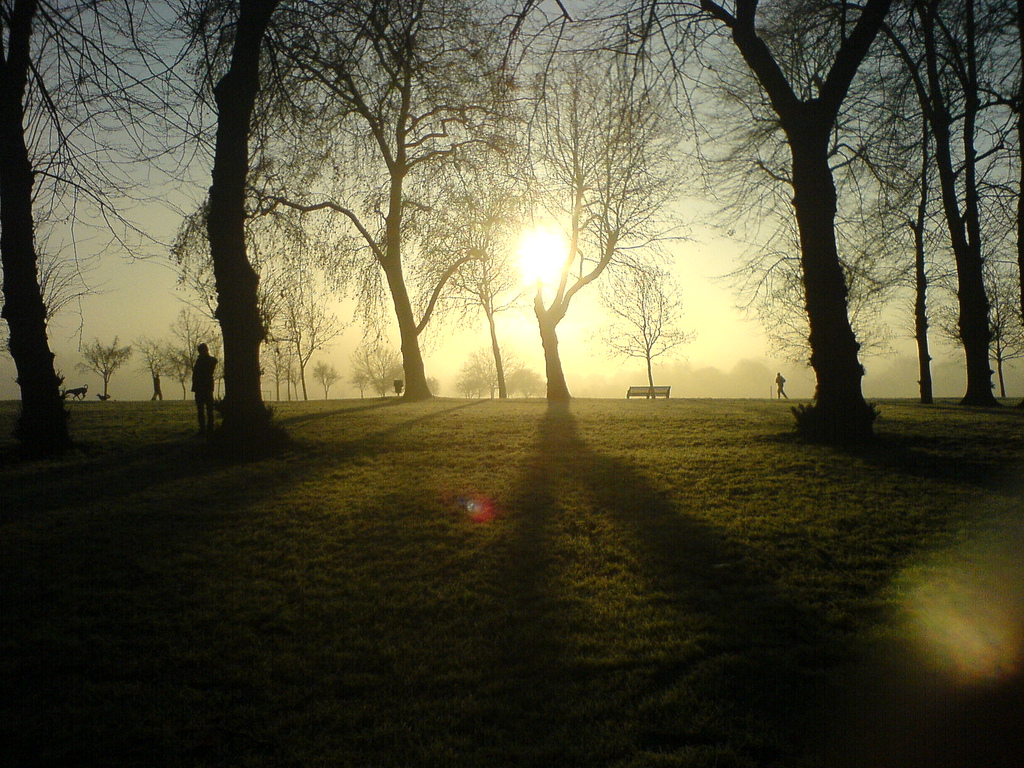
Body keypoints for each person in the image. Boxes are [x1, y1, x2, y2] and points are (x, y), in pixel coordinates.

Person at [192, 343, 217, 435]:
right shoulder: (211, 360)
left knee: (202, 410)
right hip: (207, 387)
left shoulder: (201, 361)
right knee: (208, 410)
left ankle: (203, 429)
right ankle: (209, 428)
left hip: (201, 388)